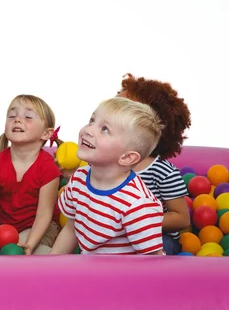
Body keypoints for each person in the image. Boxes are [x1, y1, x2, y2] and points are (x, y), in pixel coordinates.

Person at [51, 97, 165, 255]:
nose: (88, 130)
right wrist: (52, 267)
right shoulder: (79, 178)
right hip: (89, 269)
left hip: (123, 277)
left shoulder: (135, 204)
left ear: (127, 157)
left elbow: (153, 259)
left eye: (104, 129)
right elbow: (71, 229)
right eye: (92, 120)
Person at [117, 73, 191, 255]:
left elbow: (182, 218)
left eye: (121, 110)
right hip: (114, 235)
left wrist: (139, 221)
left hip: (156, 236)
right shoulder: (107, 162)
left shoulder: (162, 171)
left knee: (162, 247)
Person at [0, 94, 62, 255]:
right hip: (6, 227)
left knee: (19, 253)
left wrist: (29, 245)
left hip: (40, 227)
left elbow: (45, 212)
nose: (17, 119)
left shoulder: (48, 167)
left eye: (28, 116)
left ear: (46, 133)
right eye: (12, 115)